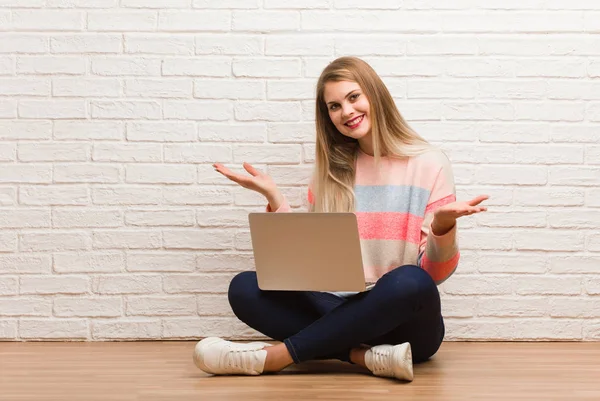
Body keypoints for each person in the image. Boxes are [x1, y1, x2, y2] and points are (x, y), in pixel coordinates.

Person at [193, 56, 489, 381]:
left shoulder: (429, 163)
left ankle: (276, 356)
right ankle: (362, 357)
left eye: (353, 97)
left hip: (403, 323)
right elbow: (309, 266)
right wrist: (275, 199)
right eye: (334, 106)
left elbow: (433, 275)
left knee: (412, 281)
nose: (346, 112)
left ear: (374, 95)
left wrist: (441, 228)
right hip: (336, 309)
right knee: (244, 288)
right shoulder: (328, 173)